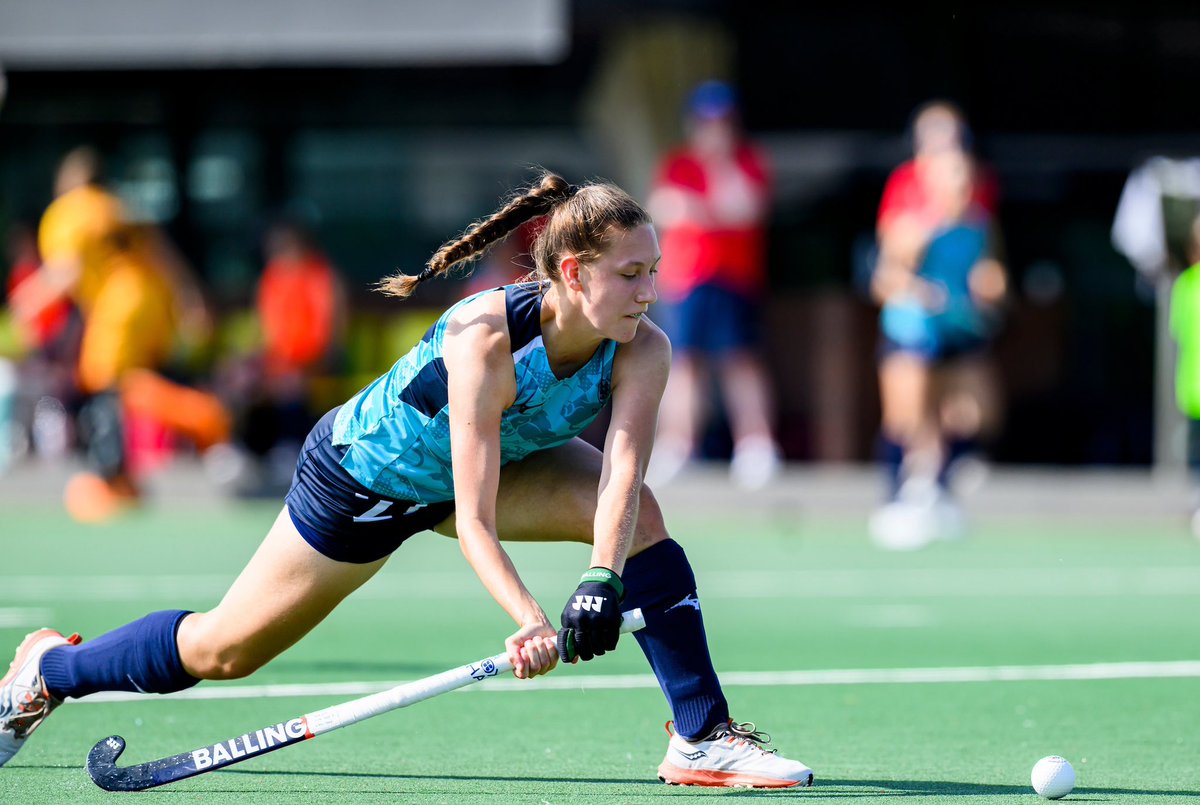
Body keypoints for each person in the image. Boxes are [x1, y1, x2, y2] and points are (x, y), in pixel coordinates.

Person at [0, 173, 814, 789]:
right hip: (363, 481)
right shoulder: (485, 339)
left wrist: (602, 579)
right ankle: (49, 671)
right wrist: (530, 617)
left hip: (506, 458)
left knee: (640, 517)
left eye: (654, 271)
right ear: (573, 272)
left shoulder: (645, 347)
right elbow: (474, 517)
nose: (650, 290)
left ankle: (700, 737)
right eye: (632, 274)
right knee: (223, 649)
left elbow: (624, 479)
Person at [7, 147, 231, 521]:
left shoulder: (71, 211)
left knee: (108, 385)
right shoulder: (121, 207)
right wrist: (191, 301)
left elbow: (66, 271)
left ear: (68, 182)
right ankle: (126, 476)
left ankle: (130, 470)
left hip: (118, 307)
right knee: (121, 383)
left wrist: (26, 304)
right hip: (152, 304)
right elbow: (165, 257)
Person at [645, 80, 782, 490]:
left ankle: (756, 445)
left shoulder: (748, 161)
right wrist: (712, 210)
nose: (714, 128)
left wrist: (711, 186)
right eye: (706, 120)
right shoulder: (677, 163)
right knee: (684, 363)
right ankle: (677, 446)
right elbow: (664, 210)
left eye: (721, 120)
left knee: (741, 361)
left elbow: (746, 208)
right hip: (685, 280)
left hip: (736, 279)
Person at [870, 147, 1007, 549]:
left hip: (959, 331)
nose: (962, 188)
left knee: (976, 413)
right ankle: (896, 497)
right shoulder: (912, 227)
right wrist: (916, 291)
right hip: (912, 332)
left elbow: (991, 275)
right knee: (907, 417)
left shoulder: (980, 226)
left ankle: (937, 487)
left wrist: (991, 287)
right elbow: (883, 281)